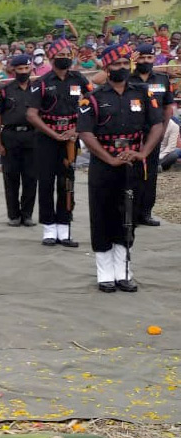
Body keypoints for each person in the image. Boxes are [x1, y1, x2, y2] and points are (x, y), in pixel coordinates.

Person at [78, 45, 164, 292]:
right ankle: (105, 273)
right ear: (106, 67)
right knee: (103, 215)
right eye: (117, 64)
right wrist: (109, 158)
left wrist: (143, 152)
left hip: (133, 164)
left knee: (128, 215)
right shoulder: (92, 97)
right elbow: (85, 132)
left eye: (126, 63)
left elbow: (157, 125)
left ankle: (124, 271)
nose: (123, 68)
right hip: (104, 165)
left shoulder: (143, 94)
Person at [27, 39, 91, 247]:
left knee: (67, 182)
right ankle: (49, 228)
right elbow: (32, 114)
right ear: (52, 57)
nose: (65, 57)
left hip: (71, 138)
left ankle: (64, 228)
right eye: (61, 54)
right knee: (46, 182)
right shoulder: (42, 82)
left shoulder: (78, 79)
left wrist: (77, 129)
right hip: (46, 138)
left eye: (68, 53)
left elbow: (91, 104)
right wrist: (52, 133)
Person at [0, 53, 39, 227]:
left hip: (32, 136)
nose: (24, 72)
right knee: (11, 177)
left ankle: (27, 214)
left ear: (31, 68)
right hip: (10, 136)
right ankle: (13, 215)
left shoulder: (38, 88)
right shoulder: (4, 90)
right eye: (20, 69)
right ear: (13, 70)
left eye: (26, 68)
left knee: (31, 177)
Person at [129, 42, 175, 225]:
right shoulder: (127, 77)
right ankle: (130, 212)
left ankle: (146, 212)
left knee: (151, 175)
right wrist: (129, 65)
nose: (146, 61)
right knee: (132, 174)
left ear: (154, 59)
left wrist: (162, 131)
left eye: (149, 58)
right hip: (132, 134)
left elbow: (168, 107)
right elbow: (101, 80)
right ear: (136, 59)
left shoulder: (162, 79)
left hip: (154, 133)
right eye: (142, 58)